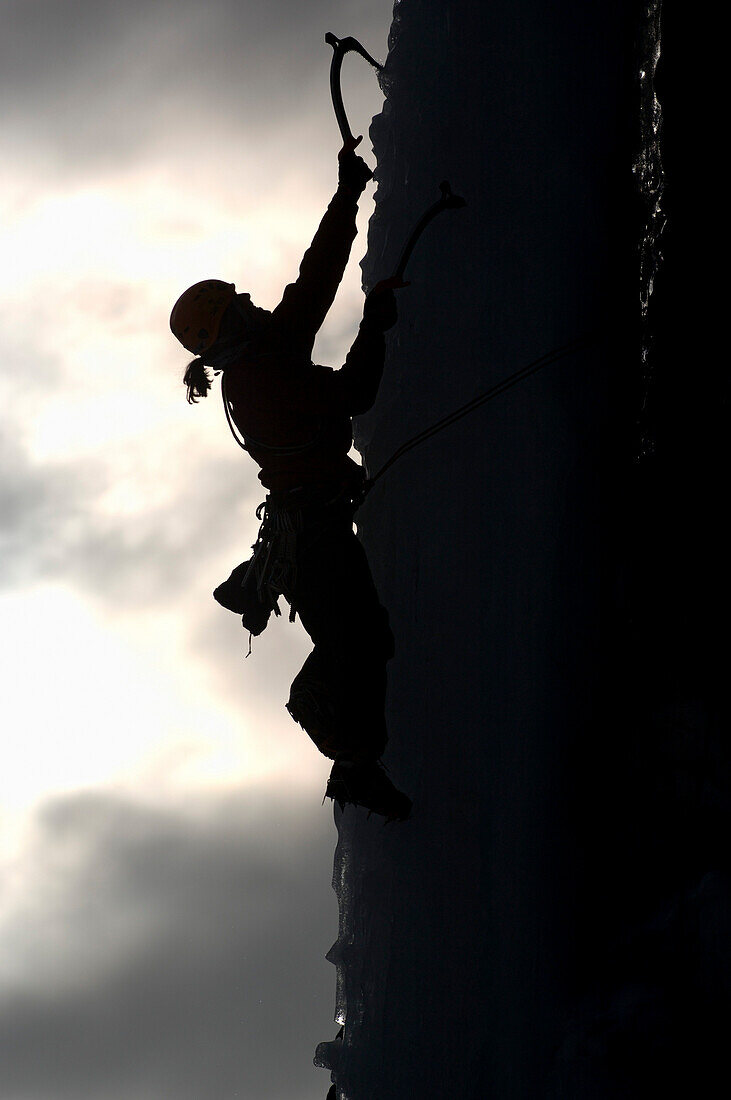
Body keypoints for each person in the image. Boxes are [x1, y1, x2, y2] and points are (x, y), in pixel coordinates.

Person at [170, 138, 411, 821]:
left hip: (312, 523)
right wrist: (375, 326)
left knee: (365, 639)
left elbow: (315, 279)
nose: (250, 298)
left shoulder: (265, 351)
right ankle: (344, 748)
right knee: (360, 643)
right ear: (226, 326)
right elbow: (355, 393)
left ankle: (353, 754)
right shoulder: (262, 377)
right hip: (312, 535)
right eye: (236, 302)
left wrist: (346, 194)